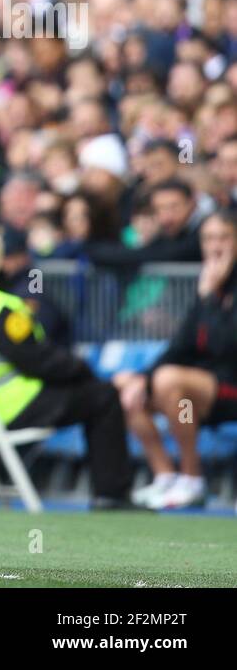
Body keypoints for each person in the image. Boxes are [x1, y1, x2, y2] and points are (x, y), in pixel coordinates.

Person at [0, 229, 137, 509]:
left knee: (92, 392)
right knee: (103, 396)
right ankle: (111, 495)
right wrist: (86, 369)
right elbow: (42, 361)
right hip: (7, 408)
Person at [114, 210, 237, 510]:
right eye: (208, 238)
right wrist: (141, 378)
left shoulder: (212, 287)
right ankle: (166, 476)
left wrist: (209, 297)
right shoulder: (208, 283)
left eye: (223, 237)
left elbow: (226, 346)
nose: (215, 246)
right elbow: (179, 346)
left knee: (170, 380)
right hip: (197, 391)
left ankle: (192, 478)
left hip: (230, 384)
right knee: (127, 384)